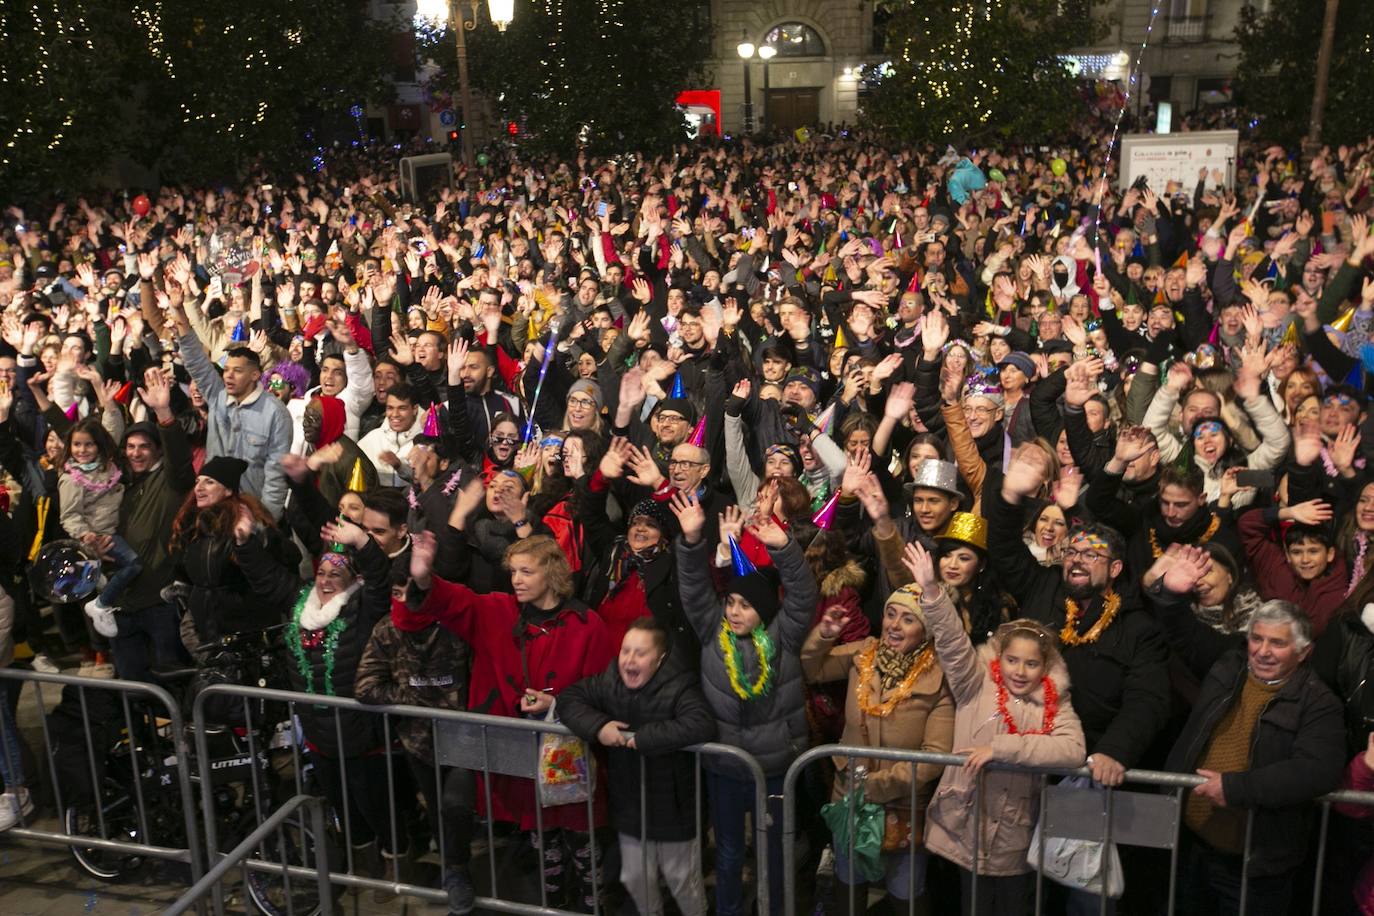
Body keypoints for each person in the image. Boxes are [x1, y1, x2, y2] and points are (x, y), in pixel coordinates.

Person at [403, 531, 615, 912]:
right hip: (523, 764)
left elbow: (603, 693)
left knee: (586, 859)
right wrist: (422, 577)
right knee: (544, 855)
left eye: (526, 571)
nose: (516, 579)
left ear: (551, 573)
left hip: (573, 763)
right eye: (513, 571)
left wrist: (557, 702)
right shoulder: (498, 611)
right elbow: (454, 601)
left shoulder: (588, 624)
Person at [1144, 545, 1345, 916]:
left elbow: (1316, 771)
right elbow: (1183, 631)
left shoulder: (1319, 703)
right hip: (1191, 845)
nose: (1263, 651)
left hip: (1254, 864)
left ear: (1304, 652)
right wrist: (1171, 595)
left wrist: (1236, 788)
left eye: (1278, 643)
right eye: (1257, 639)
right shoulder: (1230, 662)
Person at [901, 540, 1085, 916]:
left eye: (1030, 664)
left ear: (1044, 667)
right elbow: (952, 642)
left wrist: (1002, 749)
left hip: (1014, 834)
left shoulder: (1054, 701)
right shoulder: (975, 683)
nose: (1019, 671)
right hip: (964, 824)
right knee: (972, 904)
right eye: (1012, 660)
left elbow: (1072, 750)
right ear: (999, 659)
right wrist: (932, 591)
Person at [672, 490, 817, 916]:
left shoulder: (783, 638)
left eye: (746, 606)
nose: (735, 612)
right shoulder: (711, 632)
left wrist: (784, 548)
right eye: (731, 603)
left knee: (774, 853)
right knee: (730, 851)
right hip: (726, 766)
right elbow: (695, 589)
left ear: (766, 610)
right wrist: (692, 542)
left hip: (775, 770)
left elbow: (804, 595)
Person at [802, 580, 955, 914]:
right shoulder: (863, 653)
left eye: (907, 619)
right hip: (850, 796)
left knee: (905, 893)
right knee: (849, 886)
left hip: (901, 804)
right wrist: (825, 634)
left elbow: (935, 756)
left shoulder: (939, 680)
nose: (894, 625)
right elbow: (811, 668)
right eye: (890, 614)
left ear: (926, 630)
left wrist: (879, 786)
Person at [559, 619, 717, 916]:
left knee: (682, 882)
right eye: (625, 651)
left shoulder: (681, 685)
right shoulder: (611, 681)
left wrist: (644, 738)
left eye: (640, 653)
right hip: (630, 808)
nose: (629, 660)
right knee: (636, 880)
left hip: (674, 811)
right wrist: (598, 726)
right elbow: (569, 699)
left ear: (659, 659)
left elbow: (701, 723)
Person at [355, 556, 476, 914]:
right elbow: (365, 686)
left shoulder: (454, 622)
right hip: (419, 740)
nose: (405, 598)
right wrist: (414, 699)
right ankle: (456, 872)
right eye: (396, 591)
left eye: (411, 588)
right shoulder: (386, 629)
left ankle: (463, 866)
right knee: (441, 807)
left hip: (466, 735)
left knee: (457, 805)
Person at [58, 417, 142, 638]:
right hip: (99, 536)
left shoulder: (108, 466)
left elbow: (112, 430)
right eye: (77, 444)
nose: (82, 450)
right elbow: (69, 515)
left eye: (88, 444)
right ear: (69, 446)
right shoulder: (72, 479)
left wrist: (109, 405)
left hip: (115, 529)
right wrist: (86, 535)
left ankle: (101, 582)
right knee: (134, 565)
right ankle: (101, 603)